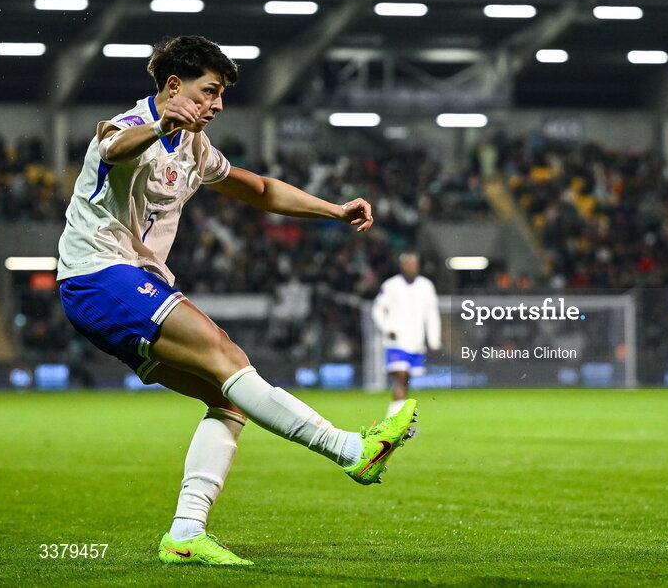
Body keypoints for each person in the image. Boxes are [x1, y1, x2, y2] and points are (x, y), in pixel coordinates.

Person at [56, 36, 417, 566]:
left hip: (122, 284)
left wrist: (334, 211)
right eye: (209, 91)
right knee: (227, 355)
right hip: (98, 276)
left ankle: (185, 533)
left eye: (221, 94)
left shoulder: (196, 147)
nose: (218, 105)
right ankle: (351, 451)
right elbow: (113, 148)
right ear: (174, 87)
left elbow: (262, 191)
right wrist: (158, 126)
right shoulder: (127, 125)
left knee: (227, 399)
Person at [372, 253, 441, 417]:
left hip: (416, 341)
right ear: (402, 266)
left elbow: (431, 314)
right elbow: (377, 309)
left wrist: (433, 339)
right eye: (409, 264)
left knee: (406, 380)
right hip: (396, 340)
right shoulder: (391, 285)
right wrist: (387, 329)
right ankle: (393, 422)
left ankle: (400, 421)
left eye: (415, 264)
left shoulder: (426, 286)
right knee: (401, 376)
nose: (412, 267)